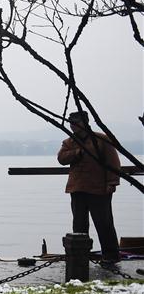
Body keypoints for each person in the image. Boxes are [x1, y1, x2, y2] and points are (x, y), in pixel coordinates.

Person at [57, 110, 121, 263]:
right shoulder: (69, 142)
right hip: (77, 188)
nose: (73, 127)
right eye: (71, 124)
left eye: (76, 123)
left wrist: (112, 183)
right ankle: (80, 255)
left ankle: (111, 255)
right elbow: (61, 158)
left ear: (85, 123)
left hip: (99, 189)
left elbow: (114, 163)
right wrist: (77, 153)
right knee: (79, 225)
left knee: (104, 223)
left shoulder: (102, 140)